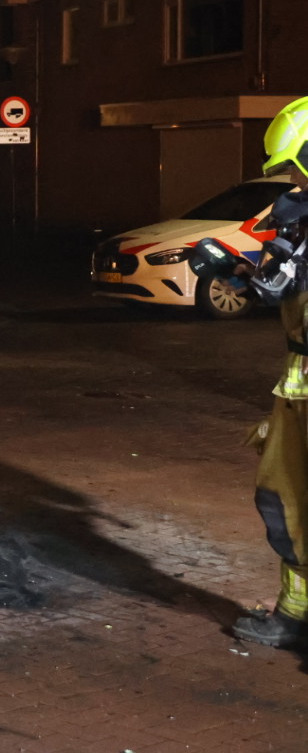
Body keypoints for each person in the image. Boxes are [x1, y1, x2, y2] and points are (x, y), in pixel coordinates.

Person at [233, 95, 308, 647]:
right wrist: (242, 272)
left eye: (296, 170)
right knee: (284, 498)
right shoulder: (300, 221)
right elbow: (278, 288)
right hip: (297, 383)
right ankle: (295, 614)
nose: (292, 184)